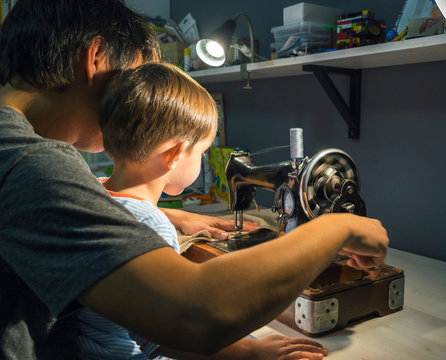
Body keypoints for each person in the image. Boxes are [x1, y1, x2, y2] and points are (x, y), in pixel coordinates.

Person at [0, 1, 389, 359]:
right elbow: (194, 315)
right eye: (128, 84)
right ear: (95, 58)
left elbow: (59, 214)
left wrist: (169, 217)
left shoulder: (15, 151)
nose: (132, 106)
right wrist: (336, 228)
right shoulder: (30, 161)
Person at [77, 61, 330, 359]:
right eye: (202, 152)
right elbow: (170, 335)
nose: (204, 160)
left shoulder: (90, 190)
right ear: (174, 155)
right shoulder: (150, 225)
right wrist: (253, 352)